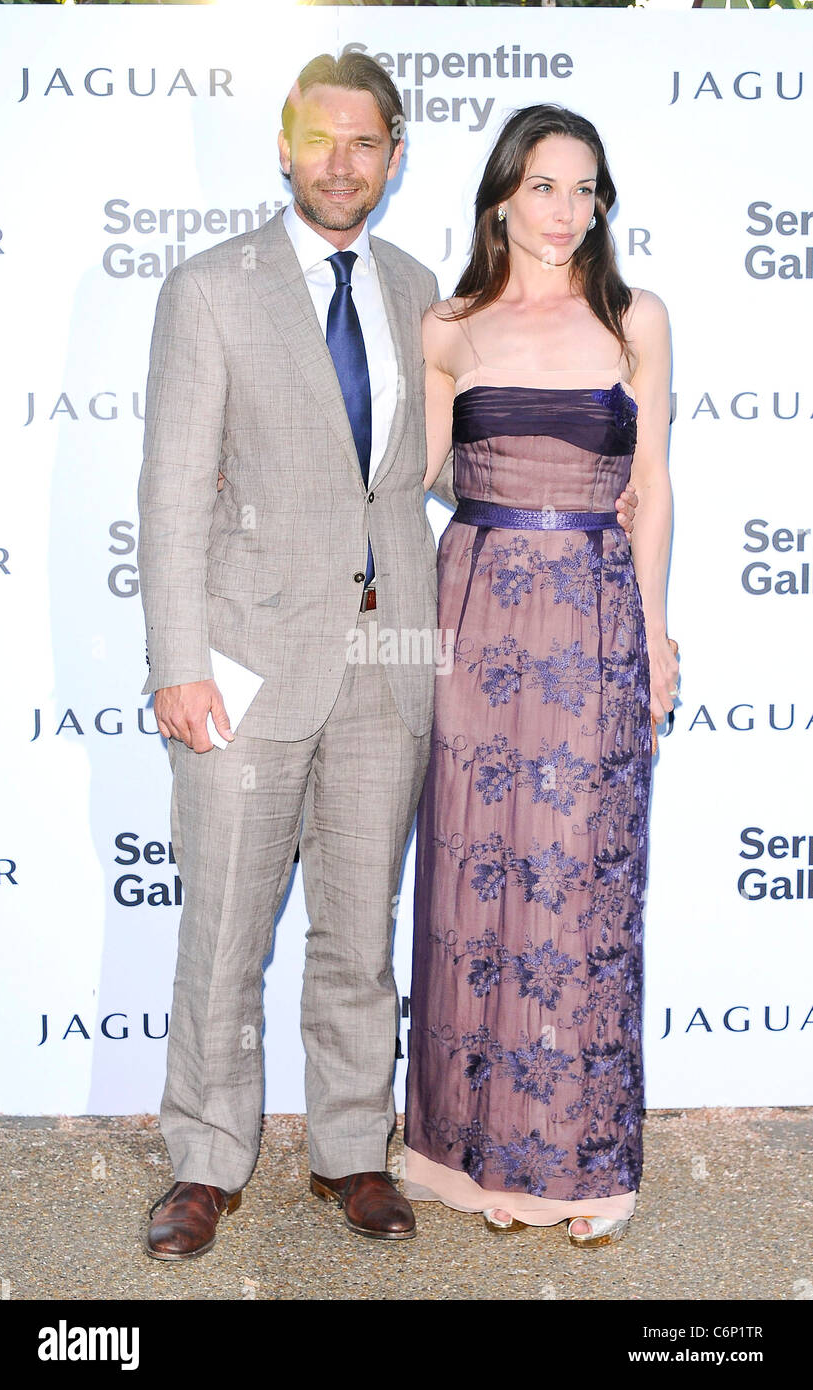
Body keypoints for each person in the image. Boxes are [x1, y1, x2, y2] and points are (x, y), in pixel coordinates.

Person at [137, 55, 638, 1261]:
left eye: (367, 143)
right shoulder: (211, 289)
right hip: (245, 668)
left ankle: (355, 1152)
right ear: (286, 144)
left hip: (394, 665)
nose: (343, 162)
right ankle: (207, 1162)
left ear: (397, 156)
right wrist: (176, 661)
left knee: (360, 936)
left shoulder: (426, 296)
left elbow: (451, 480)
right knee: (222, 933)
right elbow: (168, 491)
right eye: (323, 139)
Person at [403, 104, 679, 1247]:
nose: (567, 212)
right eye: (546, 187)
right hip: (471, 623)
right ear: (503, 195)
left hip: (598, 622)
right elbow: (409, 475)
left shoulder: (636, 318)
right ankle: (474, 1159)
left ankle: (580, 1162)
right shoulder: (447, 326)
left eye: (587, 190)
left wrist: (656, 635)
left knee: (583, 890)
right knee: (480, 882)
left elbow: (654, 483)